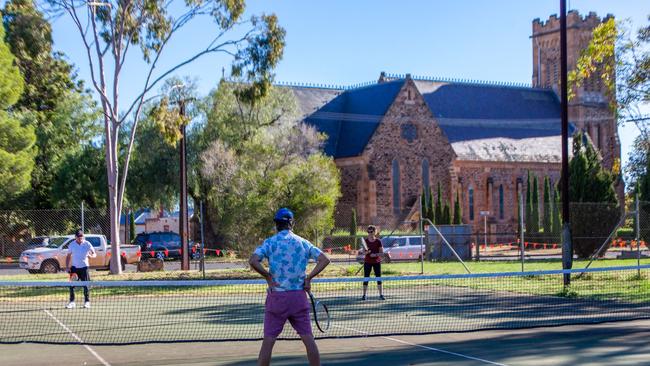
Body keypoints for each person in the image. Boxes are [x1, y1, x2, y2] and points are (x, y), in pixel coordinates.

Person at [249, 208, 331, 366]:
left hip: (277, 298)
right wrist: (309, 278)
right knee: (308, 339)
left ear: (276, 224)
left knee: (268, 342)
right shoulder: (302, 242)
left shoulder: (270, 242)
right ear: (292, 223)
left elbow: (253, 260)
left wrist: (267, 276)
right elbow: (325, 259)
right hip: (298, 298)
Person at [65, 230, 96, 309]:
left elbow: (94, 254)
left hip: (84, 268)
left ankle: (87, 302)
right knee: (71, 285)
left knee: (85, 285)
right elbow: (68, 256)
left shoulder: (87, 244)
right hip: (74, 268)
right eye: (78, 237)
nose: (80, 238)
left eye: (81, 237)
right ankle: (72, 302)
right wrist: (67, 267)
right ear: (75, 237)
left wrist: (91, 256)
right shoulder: (72, 245)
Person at [362, 225, 384, 300]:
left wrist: (375, 254)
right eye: (368, 231)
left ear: (375, 232)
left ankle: (381, 295)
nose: (370, 233)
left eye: (371, 231)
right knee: (366, 278)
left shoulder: (378, 241)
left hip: (376, 262)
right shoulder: (365, 241)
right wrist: (366, 252)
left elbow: (382, 253)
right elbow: (363, 252)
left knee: (378, 278)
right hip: (367, 262)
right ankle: (364, 295)